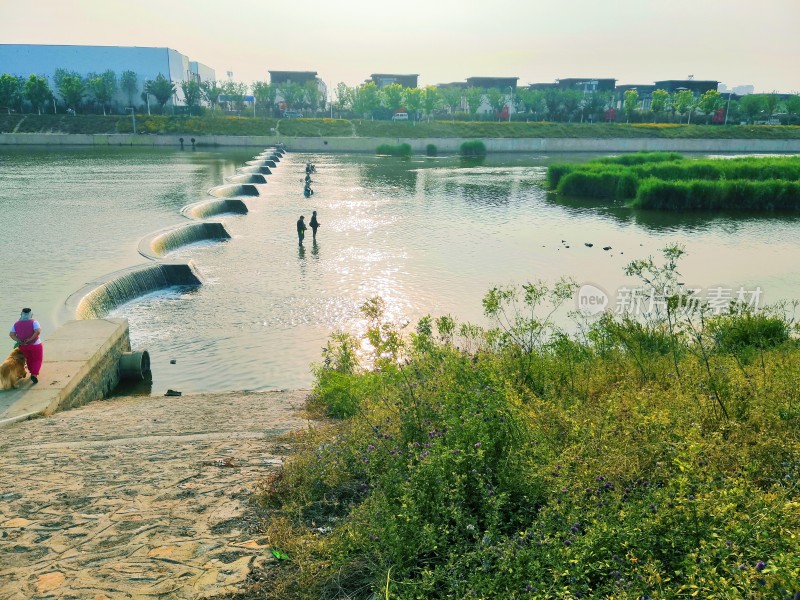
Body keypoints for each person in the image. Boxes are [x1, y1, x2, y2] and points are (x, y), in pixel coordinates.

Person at [9, 308, 42, 384]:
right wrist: (30, 339)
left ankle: (31, 371)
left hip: (23, 346)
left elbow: (11, 334)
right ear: (31, 314)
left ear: (21, 314)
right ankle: (34, 374)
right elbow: (37, 331)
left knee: (29, 359)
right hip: (35, 344)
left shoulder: (16, 324)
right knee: (37, 359)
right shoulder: (34, 322)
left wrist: (18, 340)